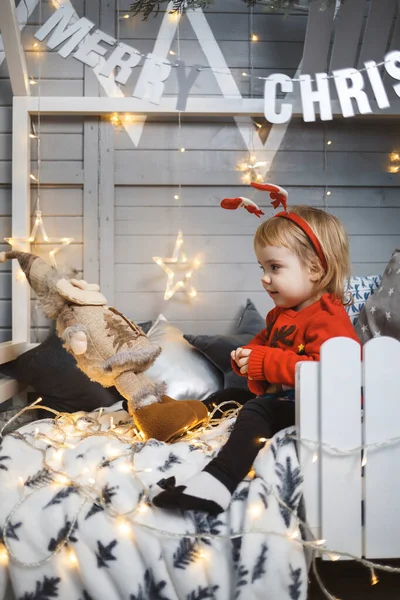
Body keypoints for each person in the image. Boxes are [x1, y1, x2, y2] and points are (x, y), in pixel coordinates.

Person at [152, 203, 360, 515]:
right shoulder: (280, 315)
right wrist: (244, 361)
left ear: (315, 269)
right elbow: (260, 351)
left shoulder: (329, 318)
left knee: (258, 408)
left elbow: (330, 374)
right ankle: (177, 429)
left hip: (324, 412)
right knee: (230, 395)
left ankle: (218, 484)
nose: (265, 278)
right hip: (291, 400)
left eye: (274, 268)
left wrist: (265, 363)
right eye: (262, 268)